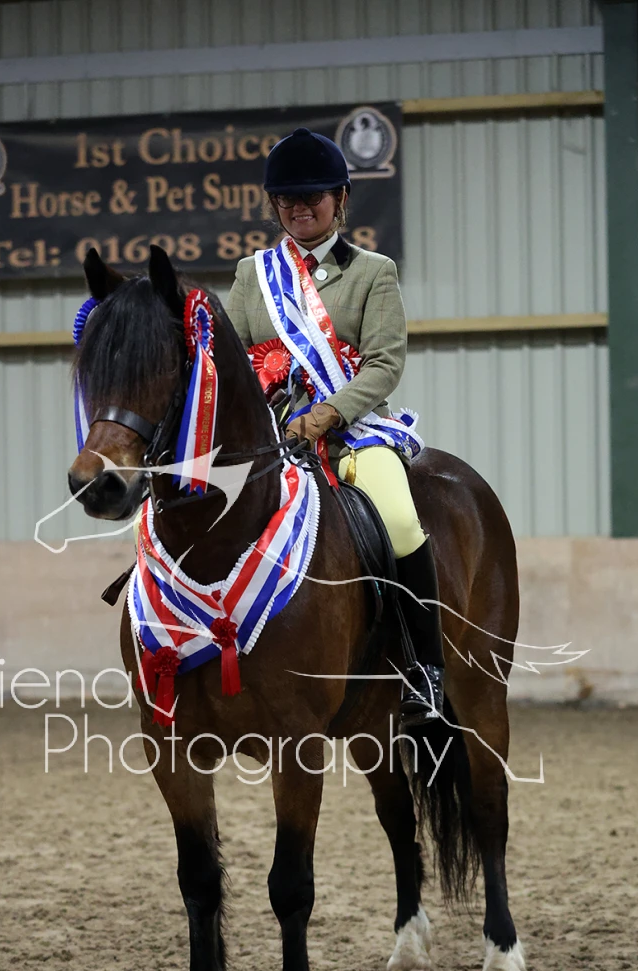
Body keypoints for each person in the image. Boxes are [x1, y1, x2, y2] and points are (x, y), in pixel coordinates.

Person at [226, 126, 445, 721]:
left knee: (400, 521)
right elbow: (230, 359)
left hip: (354, 433)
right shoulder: (253, 275)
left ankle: (424, 670)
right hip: (273, 441)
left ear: (340, 198)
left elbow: (385, 364)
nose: (299, 208)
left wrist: (327, 413)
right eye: (287, 199)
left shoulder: (373, 271)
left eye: (313, 196)